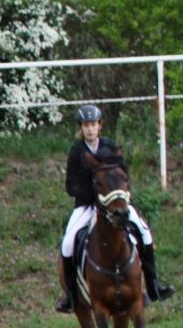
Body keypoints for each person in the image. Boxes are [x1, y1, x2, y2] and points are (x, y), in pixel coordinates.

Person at [57, 103, 172, 313]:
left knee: (144, 233)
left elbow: (123, 175)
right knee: (67, 242)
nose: (90, 129)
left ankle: (153, 286)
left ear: (99, 125)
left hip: (114, 203)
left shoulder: (109, 146)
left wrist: (118, 196)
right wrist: (93, 193)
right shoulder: (76, 151)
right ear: (81, 128)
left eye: (93, 124)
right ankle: (71, 296)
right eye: (86, 125)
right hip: (87, 205)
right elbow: (70, 186)